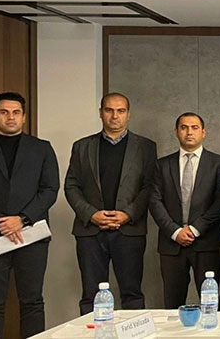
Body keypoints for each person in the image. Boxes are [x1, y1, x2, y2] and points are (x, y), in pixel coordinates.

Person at [0, 92, 59, 338]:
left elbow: (50, 189)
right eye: (4, 112)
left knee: (32, 302)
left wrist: (22, 219)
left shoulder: (42, 149)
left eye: (16, 112)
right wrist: (1, 224)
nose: (10, 117)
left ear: (24, 117)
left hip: (31, 236)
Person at [64, 93, 157, 314]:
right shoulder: (82, 146)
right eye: (109, 110)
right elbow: (71, 186)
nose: (115, 116)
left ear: (128, 114)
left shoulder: (145, 147)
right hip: (90, 231)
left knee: (132, 295)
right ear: (100, 113)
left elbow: (150, 186)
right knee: (91, 296)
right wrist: (91, 214)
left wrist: (128, 214)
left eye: (120, 111)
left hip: (129, 230)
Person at [149, 112, 220, 308]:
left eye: (194, 128)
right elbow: (154, 201)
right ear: (176, 132)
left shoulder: (218, 163)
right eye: (184, 127)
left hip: (207, 241)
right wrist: (175, 231)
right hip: (171, 242)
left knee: (211, 304)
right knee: (172, 302)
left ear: (203, 132)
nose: (189, 132)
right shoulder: (162, 165)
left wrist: (195, 229)